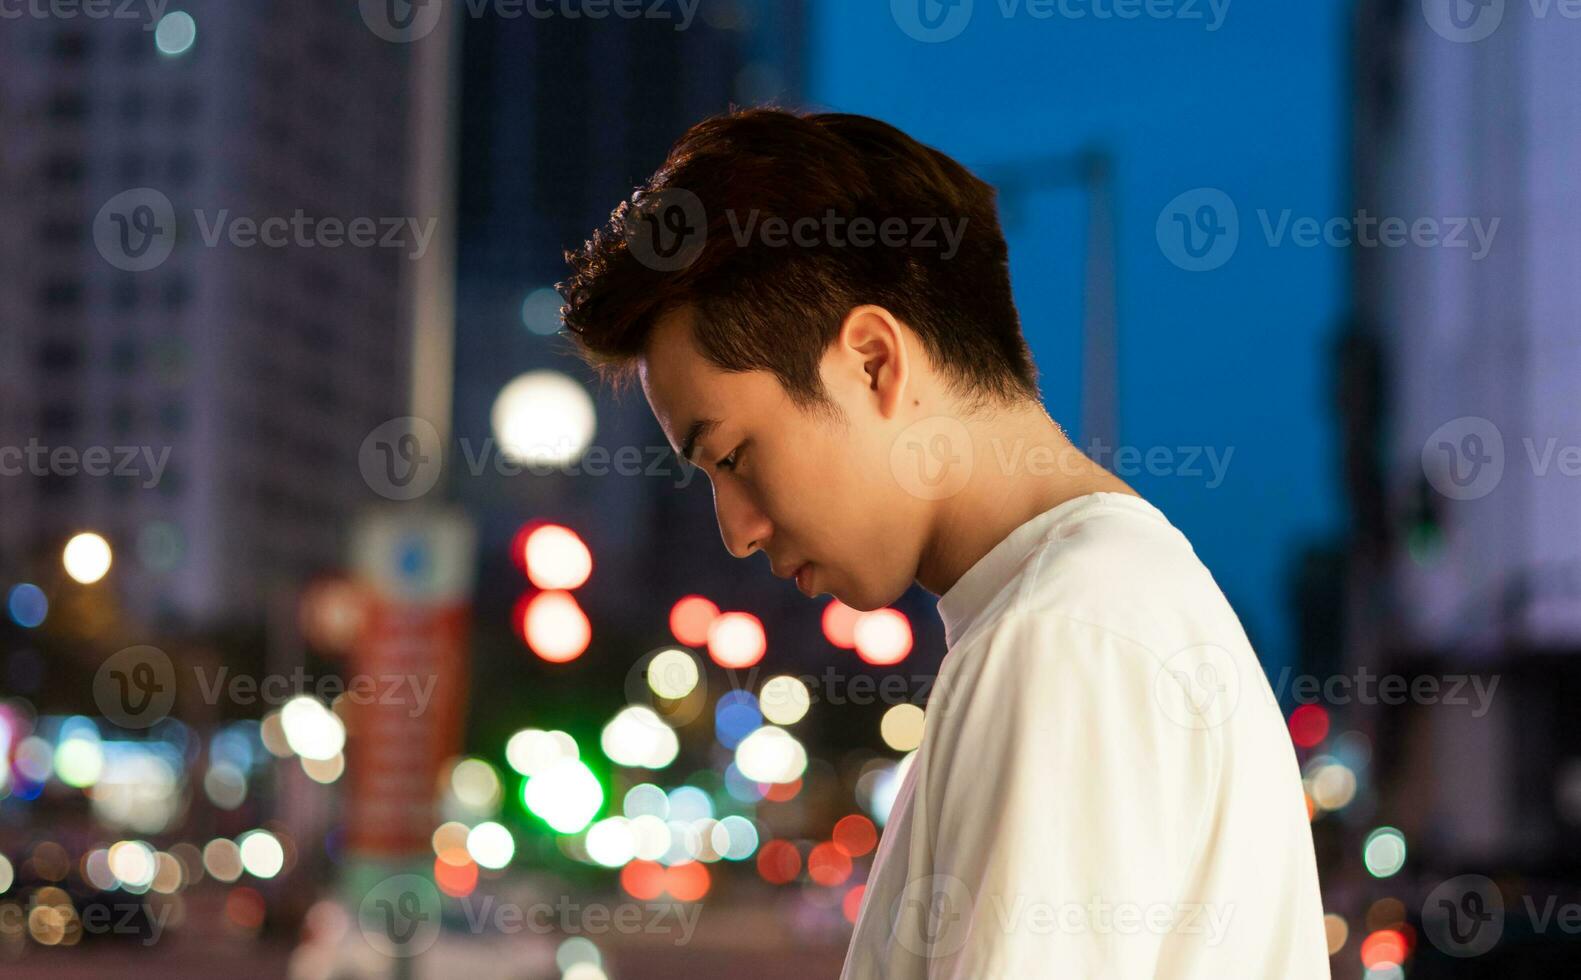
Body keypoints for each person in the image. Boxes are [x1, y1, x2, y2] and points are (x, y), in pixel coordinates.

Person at [558, 107, 1329, 978]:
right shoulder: (1089, 608)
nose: (736, 531)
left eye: (733, 456)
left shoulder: (1066, 636)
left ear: (873, 362)